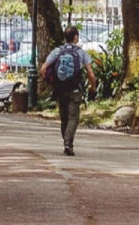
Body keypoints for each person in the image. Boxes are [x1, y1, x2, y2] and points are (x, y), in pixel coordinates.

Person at [39, 25, 97, 157]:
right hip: (75, 89)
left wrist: (52, 81)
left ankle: (66, 142)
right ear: (76, 37)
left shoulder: (57, 51)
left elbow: (43, 69)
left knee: (64, 117)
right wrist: (92, 87)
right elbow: (91, 74)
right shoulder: (81, 53)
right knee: (73, 118)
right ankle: (68, 143)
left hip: (60, 89)